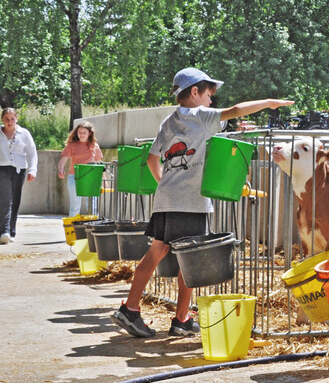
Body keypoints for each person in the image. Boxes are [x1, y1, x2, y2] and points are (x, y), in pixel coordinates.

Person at [112, 68, 293, 338]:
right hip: (190, 201)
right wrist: (268, 102)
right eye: (209, 95)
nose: (211, 102)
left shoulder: (168, 121)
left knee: (157, 252)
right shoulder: (201, 116)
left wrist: (166, 185)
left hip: (167, 198)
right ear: (195, 92)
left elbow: (152, 160)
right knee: (191, 260)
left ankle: (142, 310)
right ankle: (170, 316)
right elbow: (236, 110)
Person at [0, 108, 37, 244]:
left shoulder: (24, 133)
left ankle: (11, 231)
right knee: (5, 200)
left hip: (19, 170)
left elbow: (32, 153)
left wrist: (33, 170)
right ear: (2, 119)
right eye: (6, 119)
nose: (9, 122)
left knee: (15, 200)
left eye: (12, 119)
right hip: (2, 169)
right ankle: (4, 231)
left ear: (17, 118)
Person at [57, 120, 104, 218]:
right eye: (79, 133)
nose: (81, 135)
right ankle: (72, 229)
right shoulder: (71, 145)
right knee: (75, 206)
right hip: (74, 177)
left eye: (84, 133)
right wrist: (61, 169)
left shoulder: (94, 146)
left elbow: (100, 164)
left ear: (89, 133)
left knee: (92, 205)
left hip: (90, 179)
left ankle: (93, 227)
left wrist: (103, 180)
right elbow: (63, 159)